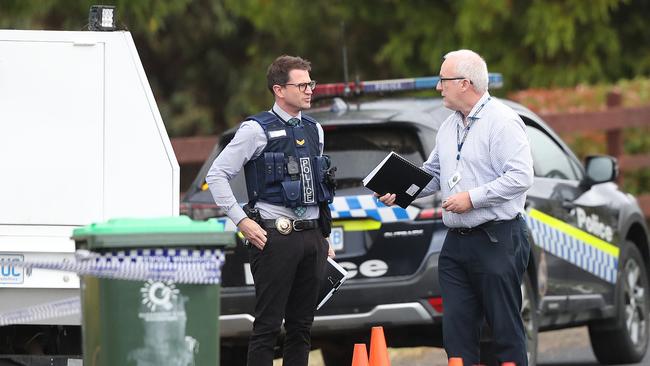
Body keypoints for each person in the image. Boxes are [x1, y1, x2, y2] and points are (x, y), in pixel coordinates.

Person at [378, 49, 534, 365]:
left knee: (504, 330)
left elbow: (521, 177)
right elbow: (434, 174)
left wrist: (472, 198)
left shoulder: (501, 122)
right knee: (457, 333)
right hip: (456, 246)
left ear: (464, 83)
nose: (439, 87)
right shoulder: (450, 125)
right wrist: (401, 192)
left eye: (443, 80)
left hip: (497, 238)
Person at [206, 55, 336, 366]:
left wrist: (325, 236)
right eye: (302, 84)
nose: (309, 90)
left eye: (310, 83)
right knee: (267, 326)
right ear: (279, 89)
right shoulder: (255, 129)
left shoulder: (315, 130)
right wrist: (242, 221)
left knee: (302, 327)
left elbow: (317, 185)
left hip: (312, 238)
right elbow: (217, 175)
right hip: (275, 237)